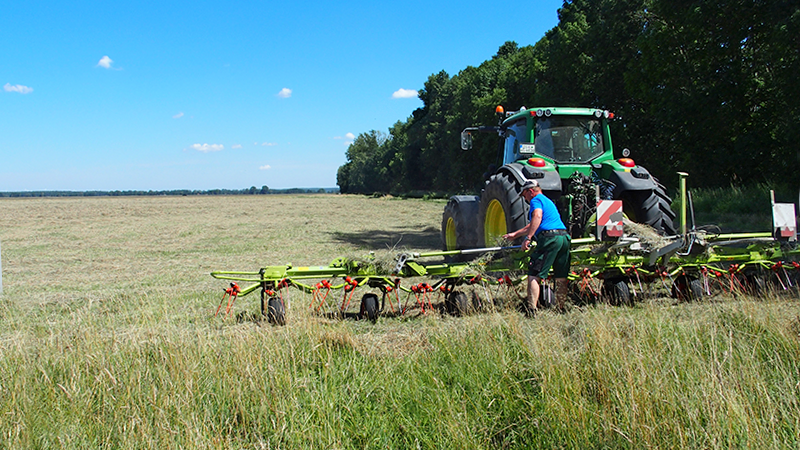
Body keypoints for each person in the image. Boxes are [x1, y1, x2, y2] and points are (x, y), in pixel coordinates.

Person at [503, 180, 571, 315]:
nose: (525, 199)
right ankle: (560, 308)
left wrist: (528, 238)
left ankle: (532, 310)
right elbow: (536, 222)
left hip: (549, 239)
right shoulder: (548, 201)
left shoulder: (536, 200)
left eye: (524, 195)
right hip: (564, 238)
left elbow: (537, 216)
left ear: (531, 191)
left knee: (534, 274)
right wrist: (515, 234)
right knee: (561, 276)